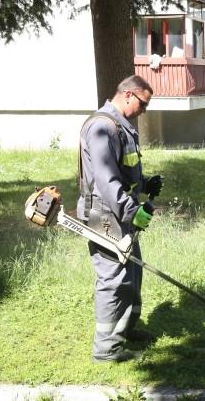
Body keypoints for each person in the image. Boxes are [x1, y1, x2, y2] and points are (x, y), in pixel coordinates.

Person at [77, 75, 164, 363]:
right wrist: (131, 211)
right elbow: (105, 179)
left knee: (131, 272)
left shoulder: (120, 126)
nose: (144, 111)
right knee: (113, 278)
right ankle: (106, 348)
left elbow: (123, 172)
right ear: (128, 95)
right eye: (143, 104)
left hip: (120, 212)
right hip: (102, 214)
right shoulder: (103, 127)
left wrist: (146, 183)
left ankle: (126, 330)